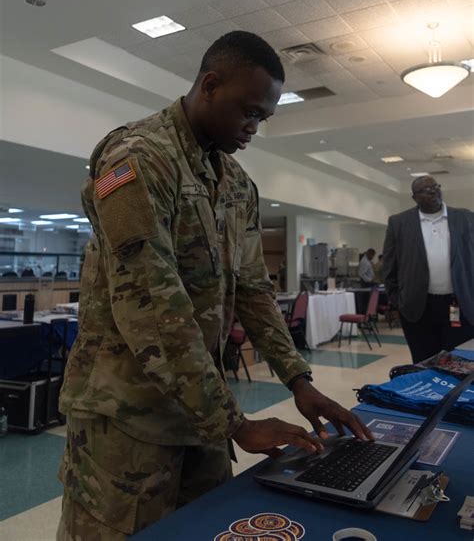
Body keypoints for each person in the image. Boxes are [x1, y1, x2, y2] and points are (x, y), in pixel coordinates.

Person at [57, 31, 371, 540]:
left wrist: (298, 381)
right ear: (209, 85)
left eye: (262, 119)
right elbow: (151, 304)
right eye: (247, 112)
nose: (253, 128)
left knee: (206, 530)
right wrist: (236, 424)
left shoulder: (236, 183)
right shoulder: (136, 160)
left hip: (200, 408)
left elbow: (252, 289)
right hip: (127, 413)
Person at [383, 176, 474, 363]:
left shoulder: (466, 218)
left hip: (459, 305)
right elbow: (389, 266)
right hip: (418, 308)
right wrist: (399, 301)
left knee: (460, 362)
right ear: (414, 197)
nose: (433, 191)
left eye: (436, 186)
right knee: (424, 361)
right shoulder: (399, 222)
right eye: (426, 189)